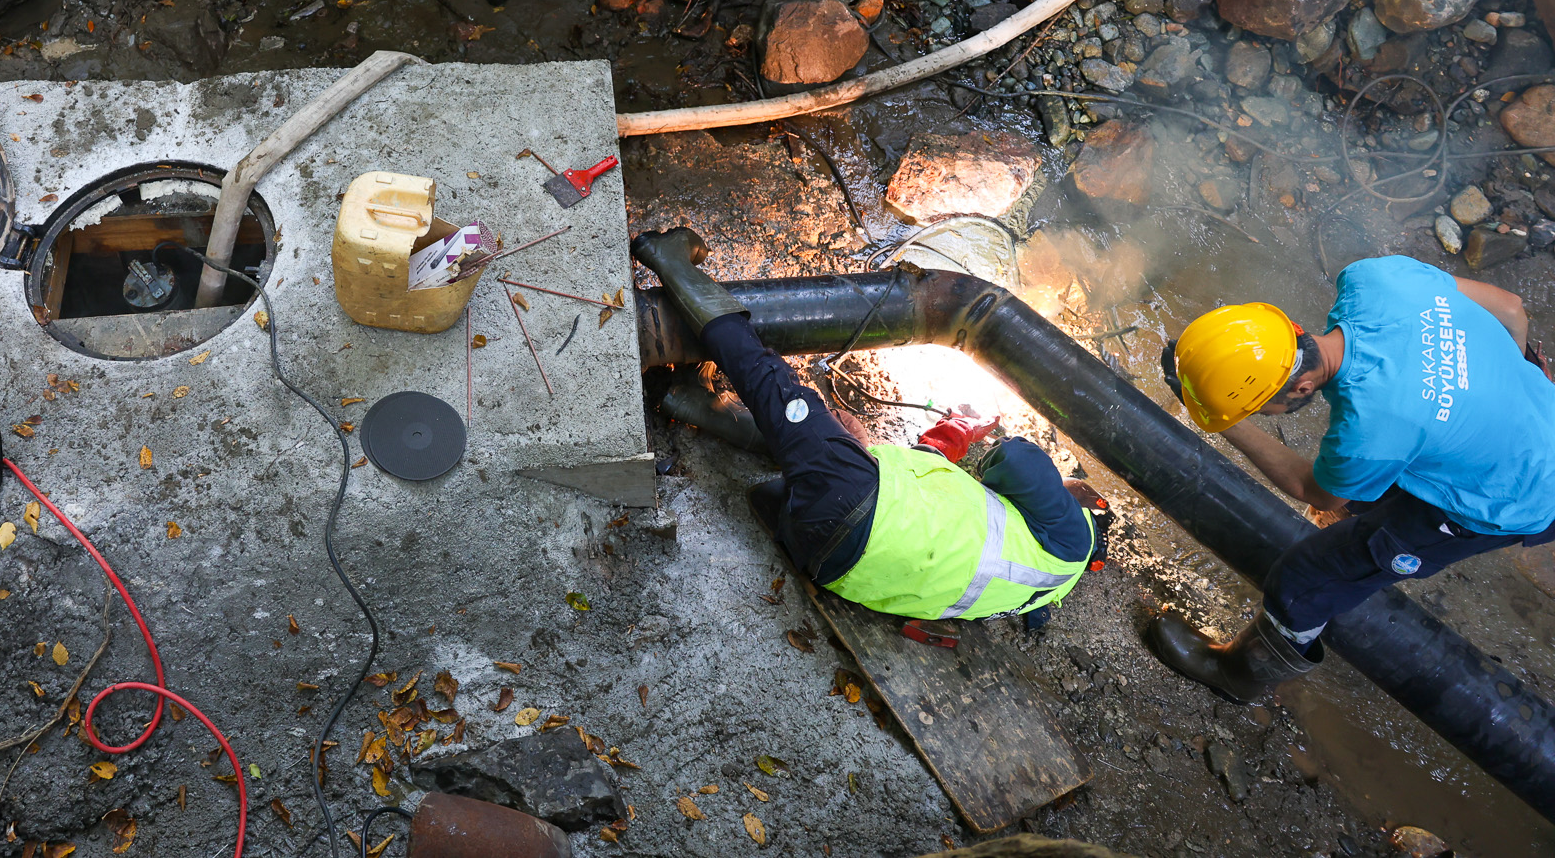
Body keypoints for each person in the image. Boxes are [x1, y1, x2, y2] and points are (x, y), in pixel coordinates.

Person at [634, 228, 1105, 622]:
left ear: (1088, 504)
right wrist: (946, 434)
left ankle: (670, 260)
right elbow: (934, 494)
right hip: (826, 557)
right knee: (816, 446)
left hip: (852, 501)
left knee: (771, 382)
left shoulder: (1073, 533)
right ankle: (690, 403)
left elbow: (1017, 460)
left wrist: (1054, 482)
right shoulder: (1034, 590)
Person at [1149, 254, 1555, 702]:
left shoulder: (1370, 431)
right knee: (1372, 481)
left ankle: (1236, 675)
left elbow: (1312, 490)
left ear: (1302, 390)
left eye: (1256, 409)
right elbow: (1512, 308)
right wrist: (1500, 392)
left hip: (1522, 492)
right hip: (1545, 413)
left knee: (1308, 575)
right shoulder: (1374, 278)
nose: (1259, 416)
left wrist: (1223, 422)